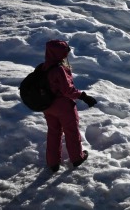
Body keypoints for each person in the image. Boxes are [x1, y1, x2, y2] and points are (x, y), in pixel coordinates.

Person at [42, 39, 96, 171]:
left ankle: (53, 163)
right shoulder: (59, 69)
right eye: (65, 51)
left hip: (48, 106)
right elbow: (67, 90)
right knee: (71, 131)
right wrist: (84, 96)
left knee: (53, 132)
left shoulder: (43, 67)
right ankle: (77, 158)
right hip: (64, 107)